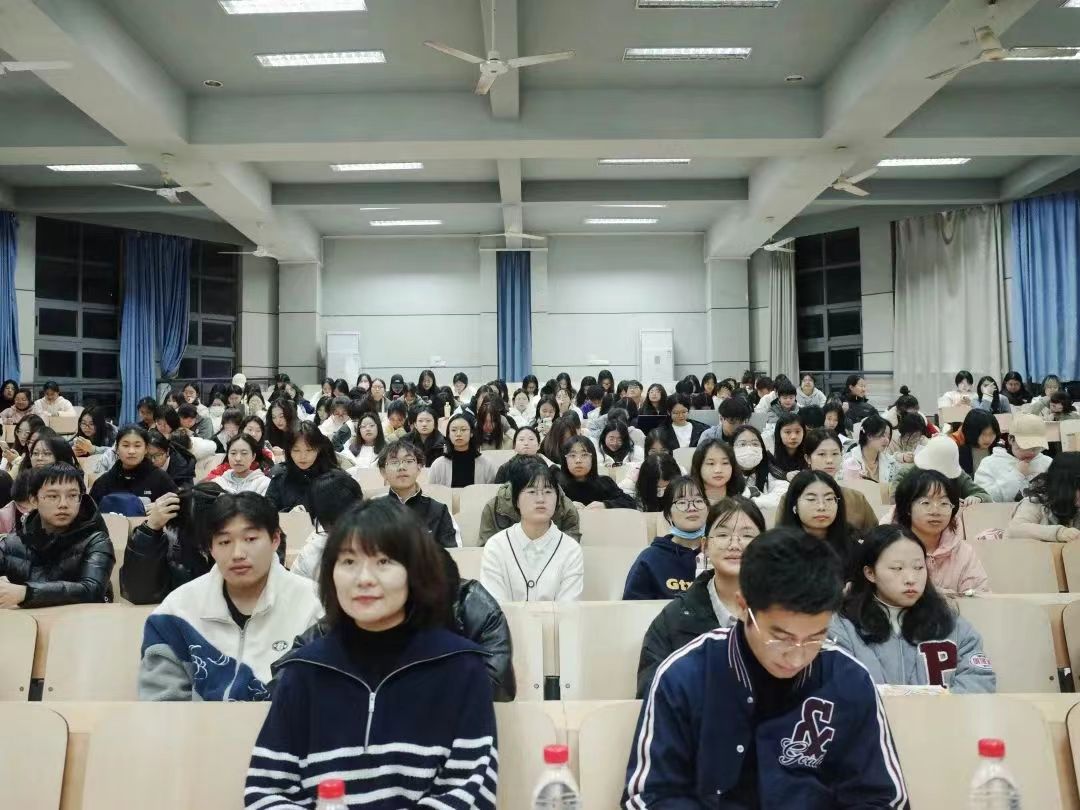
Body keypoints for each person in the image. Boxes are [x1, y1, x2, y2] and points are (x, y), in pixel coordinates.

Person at [623, 526, 909, 809]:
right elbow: (649, 796)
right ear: (743, 606)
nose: (796, 657)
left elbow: (882, 799)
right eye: (780, 637)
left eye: (815, 638)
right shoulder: (685, 676)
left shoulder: (849, 680)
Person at [245, 499, 498, 808]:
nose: (364, 578)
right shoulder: (304, 670)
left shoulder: (460, 668)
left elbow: (471, 793)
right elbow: (266, 791)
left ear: (415, 572)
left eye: (383, 561)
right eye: (349, 561)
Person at [139, 492, 323, 701]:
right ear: (210, 548)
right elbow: (160, 705)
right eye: (224, 542)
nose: (238, 554)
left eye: (250, 539)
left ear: (275, 539)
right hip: (198, 723)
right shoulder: (176, 611)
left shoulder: (315, 605)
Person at [830, 525, 995, 693]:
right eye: (897, 568)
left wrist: (939, 705)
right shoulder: (842, 627)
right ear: (870, 573)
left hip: (945, 711)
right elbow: (835, 688)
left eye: (918, 568)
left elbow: (979, 680)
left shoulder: (951, 623)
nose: (911, 579)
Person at [636, 496, 766, 697]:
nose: (735, 544)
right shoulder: (674, 618)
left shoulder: (786, 612)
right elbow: (652, 690)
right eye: (723, 534)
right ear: (704, 546)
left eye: (747, 535)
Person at [0, 463, 114, 608]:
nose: (63, 504)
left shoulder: (97, 541)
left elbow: (92, 590)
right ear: (34, 500)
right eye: (53, 496)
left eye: (72, 496)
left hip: (82, 620)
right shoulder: (10, 545)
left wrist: (27, 593)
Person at [480, 458, 584, 602]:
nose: (541, 499)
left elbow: (568, 608)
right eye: (532, 491)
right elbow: (494, 606)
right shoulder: (496, 546)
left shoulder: (571, 549)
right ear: (516, 500)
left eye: (548, 491)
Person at [894, 469, 989, 594]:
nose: (935, 511)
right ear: (908, 508)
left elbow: (980, 597)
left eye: (944, 503)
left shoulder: (964, 552)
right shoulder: (892, 549)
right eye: (925, 503)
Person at [623, 476, 708, 600]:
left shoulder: (719, 553)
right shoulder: (650, 559)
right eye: (682, 502)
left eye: (699, 501)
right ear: (668, 514)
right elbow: (633, 606)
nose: (692, 508)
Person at [377, 441, 458, 548]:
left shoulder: (439, 511)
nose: (401, 467)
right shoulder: (373, 511)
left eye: (409, 461)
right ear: (383, 472)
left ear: (419, 468)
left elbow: (452, 553)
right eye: (394, 462)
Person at [777, 470, 857, 577]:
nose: (821, 507)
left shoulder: (853, 545)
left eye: (829, 499)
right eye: (811, 499)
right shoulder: (778, 550)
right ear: (794, 505)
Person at [890, 434, 992, 506]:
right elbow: (895, 501)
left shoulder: (958, 475)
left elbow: (985, 496)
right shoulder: (906, 474)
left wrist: (977, 498)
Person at [973, 412, 1052, 503]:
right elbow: (985, 499)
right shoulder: (990, 464)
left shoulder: (1048, 463)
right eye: (1026, 446)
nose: (1032, 452)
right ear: (1011, 439)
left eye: (1037, 447)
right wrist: (1017, 475)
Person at [89, 426, 178, 507]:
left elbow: (177, 509)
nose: (131, 451)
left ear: (146, 449)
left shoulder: (161, 479)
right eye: (126, 445)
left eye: (137, 446)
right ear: (117, 449)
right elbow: (90, 514)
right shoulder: (104, 482)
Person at [265, 423, 339, 513]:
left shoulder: (334, 477)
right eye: (296, 450)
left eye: (309, 450)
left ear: (318, 449)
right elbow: (267, 513)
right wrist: (288, 514)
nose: (303, 456)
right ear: (289, 450)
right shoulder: (280, 475)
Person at [1007, 452, 1080, 542]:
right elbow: (1014, 531)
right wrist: (1059, 533)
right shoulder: (1035, 502)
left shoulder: (1076, 507)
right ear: (1063, 486)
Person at [556, 435, 636, 510]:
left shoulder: (605, 482)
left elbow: (630, 503)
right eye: (572, 455)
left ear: (592, 458)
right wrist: (565, 507)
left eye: (584, 455)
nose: (578, 460)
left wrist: (605, 505)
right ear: (565, 460)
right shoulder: (556, 486)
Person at [426, 413, 499, 487]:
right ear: (448, 434)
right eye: (454, 430)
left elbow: (493, 491)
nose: (458, 434)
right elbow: (431, 491)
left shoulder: (487, 465)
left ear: (471, 433)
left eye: (463, 430)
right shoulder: (438, 465)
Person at [730, 424, 788, 508]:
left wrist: (754, 500)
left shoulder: (769, 471)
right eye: (742, 444)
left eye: (755, 444)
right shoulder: (725, 473)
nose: (749, 449)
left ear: (762, 449)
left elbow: (783, 493)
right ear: (731, 448)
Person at [841, 414, 897, 485]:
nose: (887, 440)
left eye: (888, 437)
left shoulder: (890, 462)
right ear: (869, 435)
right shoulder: (849, 460)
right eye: (883, 435)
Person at [689, 437, 746, 506]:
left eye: (725, 463)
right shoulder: (687, 502)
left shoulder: (745, 498)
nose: (718, 470)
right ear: (698, 466)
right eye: (711, 463)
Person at [769, 411, 807, 482]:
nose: (793, 437)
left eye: (797, 432)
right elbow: (770, 467)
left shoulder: (810, 450)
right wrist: (785, 475)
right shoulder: (770, 450)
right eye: (787, 432)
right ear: (779, 433)